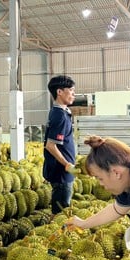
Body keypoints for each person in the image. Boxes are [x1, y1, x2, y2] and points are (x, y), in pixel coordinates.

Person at [43, 75, 77, 216]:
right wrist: (67, 165)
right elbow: (50, 146)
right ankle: (58, 233)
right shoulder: (60, 116)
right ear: (59, 92)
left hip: (63, 172)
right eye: (71, 90)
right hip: (62, 172)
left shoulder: (61, 112)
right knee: (61, 213)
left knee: (62, 208)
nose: (74, 94)